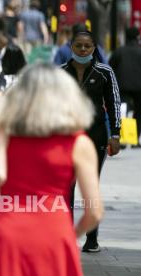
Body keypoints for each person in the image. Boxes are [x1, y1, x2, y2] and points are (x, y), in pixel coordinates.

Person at [0, 63, 104, 276]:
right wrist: (72, 234)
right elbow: (95, 212)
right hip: (55, 232)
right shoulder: (79, 144)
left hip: (6, 231)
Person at [62, 30, 121, 252]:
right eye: (79, 46)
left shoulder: (104, 72)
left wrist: (115, 134)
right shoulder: (62, 73)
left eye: (87, 46)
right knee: (67, 186)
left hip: (95, 137)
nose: (83, 50)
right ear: (71, 47)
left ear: (94, 47)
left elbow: (114, 103)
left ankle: (92, 238)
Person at [109, 27, 141, 146]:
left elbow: (110, 68)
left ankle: (121, 139)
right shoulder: (140, 51)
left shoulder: (119, 51)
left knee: (122, 111)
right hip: (139, 88)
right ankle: (135, 139)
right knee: (139, 112)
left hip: (122, 86)